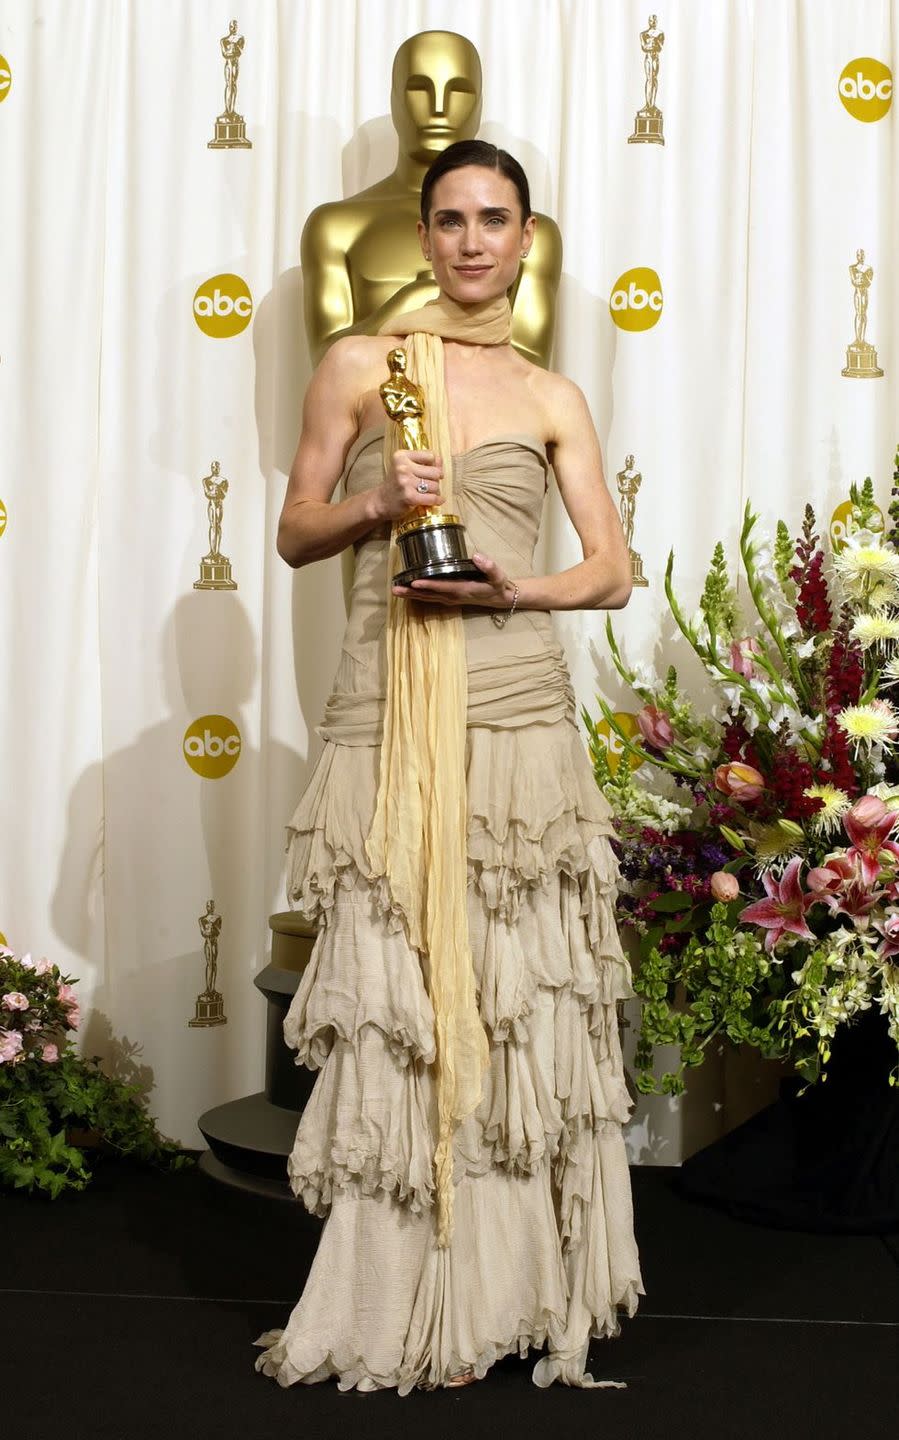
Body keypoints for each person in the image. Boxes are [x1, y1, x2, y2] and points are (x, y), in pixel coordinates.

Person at [255, 139, 644, 1393]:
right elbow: (295, 528)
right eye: (451, 219)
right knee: (403, 996)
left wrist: (509, 589)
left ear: (524, 241)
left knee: (518, 996)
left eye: (495, 220)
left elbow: (610, 569)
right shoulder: (363, 368)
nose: (473, 242)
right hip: (389, 698)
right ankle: (393, 1292)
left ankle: (515, 1287)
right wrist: (378, 507)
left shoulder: (550, 396)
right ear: (421, 237)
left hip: (518, 705)